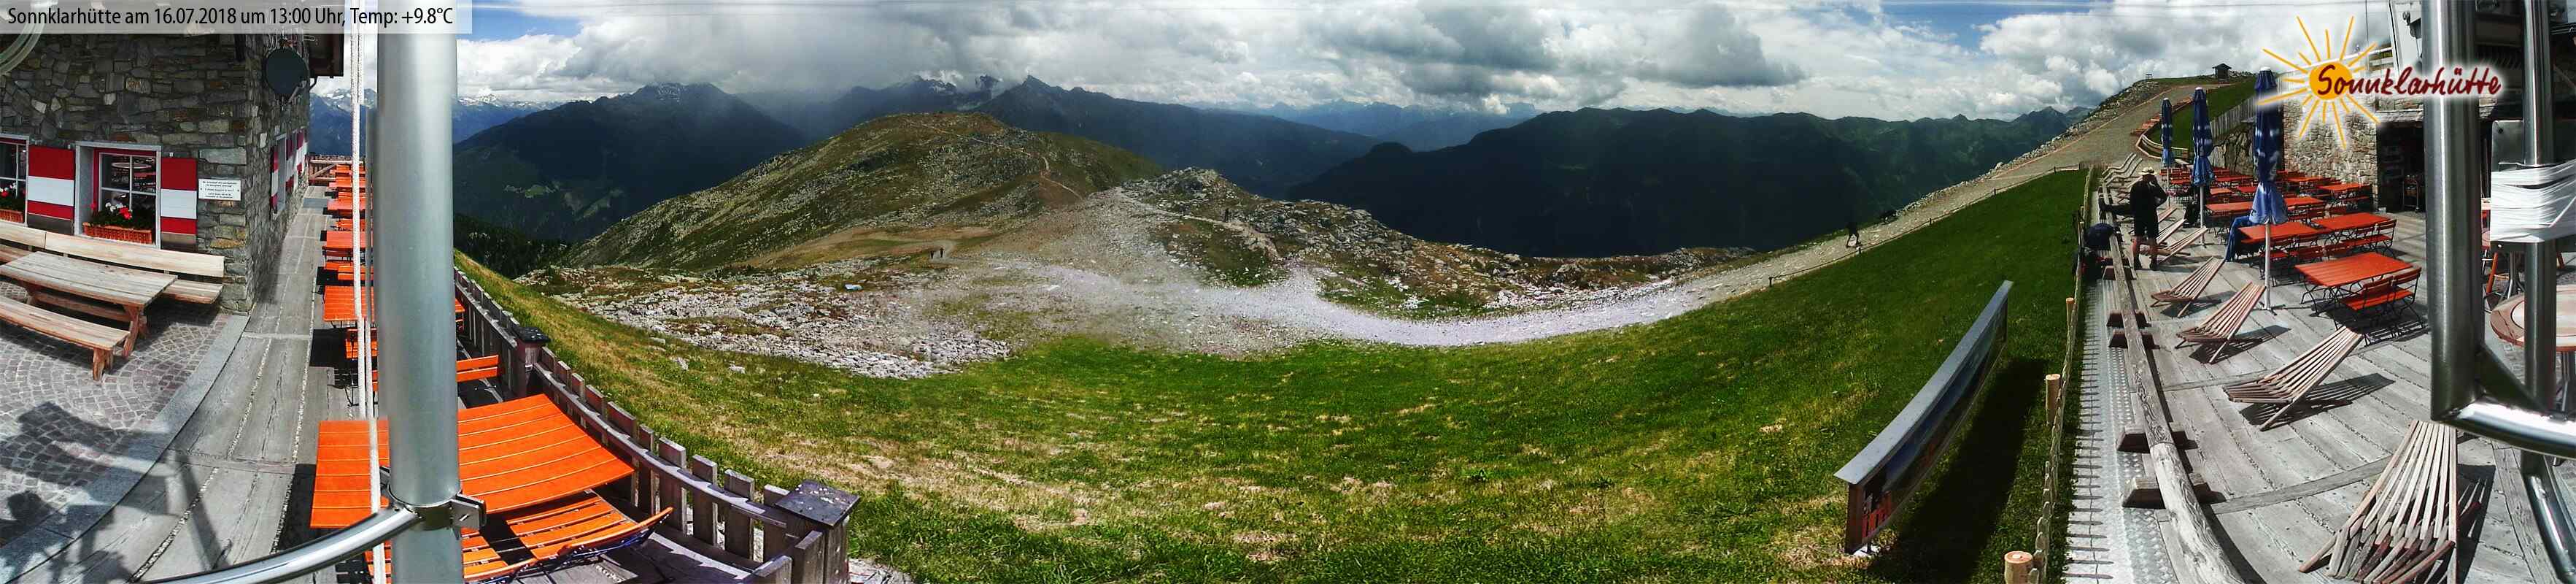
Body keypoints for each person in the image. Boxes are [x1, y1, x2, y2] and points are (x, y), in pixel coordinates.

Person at [2130, 169, 2165, 250]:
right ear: (2150, 177)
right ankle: (2153, 258)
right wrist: (2156, 184)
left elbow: (2132, 202)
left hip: (2138, 215)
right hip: (2151, 215)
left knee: (2138, 238)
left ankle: (2136, 258)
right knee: (2152, 239)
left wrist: (2134, 213)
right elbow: (2163, 196)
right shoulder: (2152, 188)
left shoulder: (2135, 186)